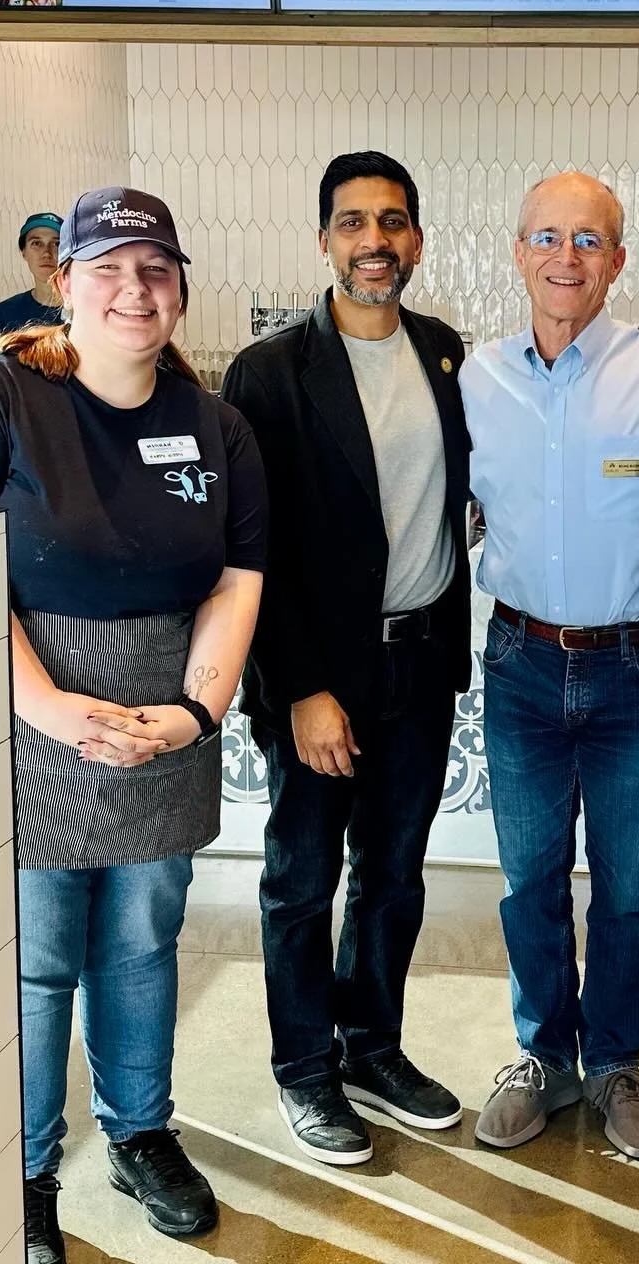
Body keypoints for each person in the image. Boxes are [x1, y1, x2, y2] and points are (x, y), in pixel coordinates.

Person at [0, 187, 267, 1264]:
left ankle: (141, 1131)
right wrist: (49, 705)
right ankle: (17, 1170)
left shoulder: (217, 426)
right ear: (64, 283)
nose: (133, 289)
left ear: (180, 289)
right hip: (20, 718)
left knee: (146, 941)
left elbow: (240, 577)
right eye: (108, 268)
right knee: (37, 955)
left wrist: (194, 712)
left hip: (163, 720)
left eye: (155, 269)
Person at [220, 151, 472, 1167]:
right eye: (355, 222)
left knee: (394, 877)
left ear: (416, 238)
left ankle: (372, 1045)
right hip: (323, 677)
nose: (377, 241)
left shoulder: (445, 351)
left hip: (420, 667)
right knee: (299, 879)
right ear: (325, 239)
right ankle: (303, 1069)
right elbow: (254, 549)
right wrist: (300, 691)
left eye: (394, 222)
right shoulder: (270, 373)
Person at [460, 173, 639, 1158]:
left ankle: (616, 1065)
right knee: (531, 882)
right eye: (547, 237)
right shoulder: (472, 380)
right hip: (518, 661)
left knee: (630, 890)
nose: (566, 257)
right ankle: (543, 1057)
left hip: (633, 671)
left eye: (588, 239)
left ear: (618, 260)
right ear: (518, 252)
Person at [0, 211, 64, 336]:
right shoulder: (5, 314)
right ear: (24, 252)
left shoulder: (87, 310)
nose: (46, 253)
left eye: (57, 244)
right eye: (37, 243)